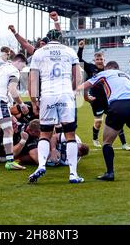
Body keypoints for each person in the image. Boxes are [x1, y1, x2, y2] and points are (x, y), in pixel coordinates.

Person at [27, 29, 85, 184]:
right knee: (70, 135)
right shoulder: (69, 51)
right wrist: (72, 91)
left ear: (47, 38)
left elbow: (33, 80)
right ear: (60, 38)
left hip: (47, 95)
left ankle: (41, 165)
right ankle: (73, 173)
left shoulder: (39, 53)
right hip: (66, 95)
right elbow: (78, 77)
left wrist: (34, 101)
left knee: (45, 134)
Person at [78, 39, 130, 151]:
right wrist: (81, 48)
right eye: (97, 59)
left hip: (109, 99)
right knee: (98, 122)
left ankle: (124, 143)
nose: (99, 61)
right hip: (96, 100)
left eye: (101, 59)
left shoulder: (108, 70)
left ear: (104, 60)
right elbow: (79, 59)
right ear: (94, 60)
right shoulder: (90, 67)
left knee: (117, 120)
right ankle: (95, 139)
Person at [0, 53, 29, 170]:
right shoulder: (14, 70)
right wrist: (21, 104)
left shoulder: (0, 68)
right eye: (22, 67)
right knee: (8, 130)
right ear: (19, 62)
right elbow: (12, 90)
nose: (21, 70)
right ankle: (10, 161)